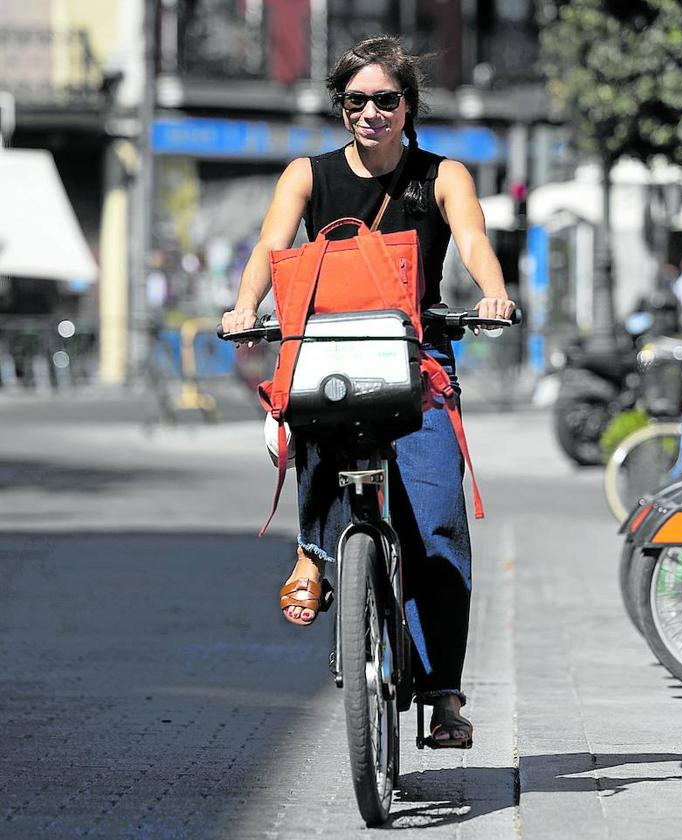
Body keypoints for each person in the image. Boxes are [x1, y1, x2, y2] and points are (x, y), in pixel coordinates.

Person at [221, 36, 514, 747]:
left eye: (386, 100)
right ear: (341, 107)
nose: (371, 113)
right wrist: (243, 304)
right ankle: (317, 554)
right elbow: (270, 245)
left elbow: (471, 238)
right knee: (311, 421)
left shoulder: (441, 175)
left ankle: (443, 693)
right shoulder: (307, 175)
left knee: (439, 526)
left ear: (408, 106)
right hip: (331, 351)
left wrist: (495, 292)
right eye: (356, 101)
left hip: (419, 354)